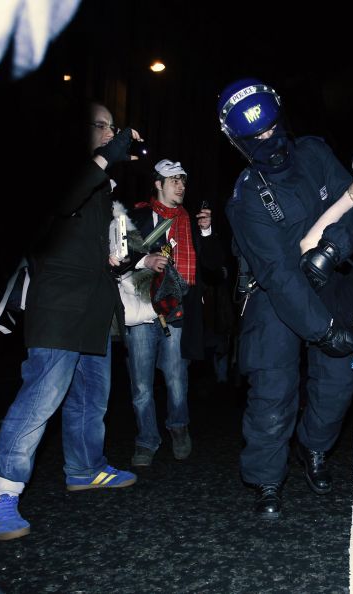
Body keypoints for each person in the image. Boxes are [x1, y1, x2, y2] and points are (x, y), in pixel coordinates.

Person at [0, 103, 140, 541]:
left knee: (92, 397)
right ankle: (4, 494)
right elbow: (64, 200)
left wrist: (116, 256)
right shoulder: (55, 168)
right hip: (60, 305)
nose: (110, 133)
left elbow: (83, 237)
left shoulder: (102, 185)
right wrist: (107, 157)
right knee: (41, 397)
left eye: (113, 127)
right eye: (101, 126)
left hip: (96, 305)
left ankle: (85, 469)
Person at [220, 78, 353, 519]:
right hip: (275, 294)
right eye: (257, 137)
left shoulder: (315, 153)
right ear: (239, 142)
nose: (269, 140)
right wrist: (322, 331)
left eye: (272, 128)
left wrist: (333, 249)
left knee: (340, 379)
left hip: (331, 277)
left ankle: (314, 446)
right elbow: (276, 274)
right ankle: (266, 477)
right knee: (272, 388)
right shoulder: (246, 196)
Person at [119, 158, 221, 466]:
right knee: (141, 384)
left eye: (183, 180)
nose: (180, 186)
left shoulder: (192, 221)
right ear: (158, 184)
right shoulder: (135, 215)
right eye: (174, 180)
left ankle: (178, 427)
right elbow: (116, 256)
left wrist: (207, 232)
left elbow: (213, 266)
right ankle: (146, 440)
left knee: (177, 377)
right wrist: (144, 261)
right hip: (141, 309)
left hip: (177, 308)